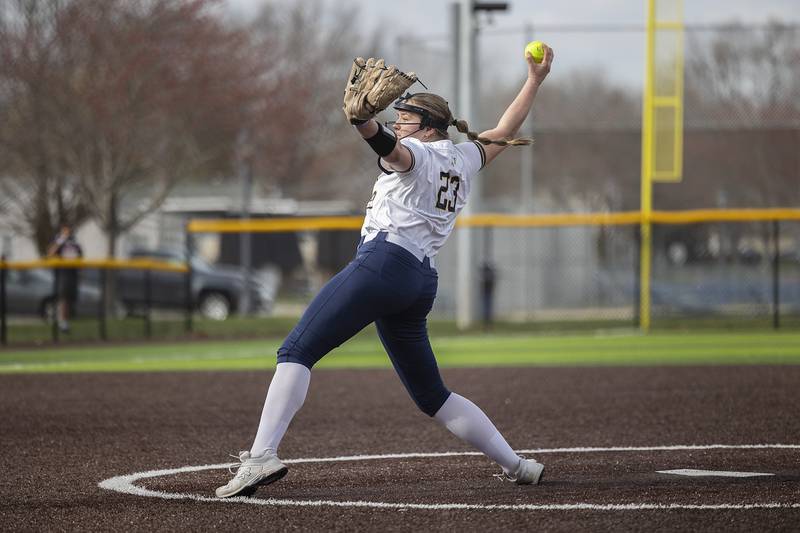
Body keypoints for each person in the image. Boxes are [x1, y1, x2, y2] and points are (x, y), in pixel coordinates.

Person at [216, 45, 554, 498]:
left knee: (296, 350)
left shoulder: (419, 152)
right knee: (432, 395)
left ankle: (260, 457)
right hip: (419, 282)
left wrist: (362, 123)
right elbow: (505, 129)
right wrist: (534, 80)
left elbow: (389, 147)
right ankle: (518, 465)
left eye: (407, 116)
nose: (399, 121)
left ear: (429, 127)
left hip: (385, 264)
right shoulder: (464, 158)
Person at [47, 225, 83, 333]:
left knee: (71, 299)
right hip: (63, 274)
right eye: (65, 231)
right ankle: (61, 321)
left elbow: (81, 258)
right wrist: (61, 240)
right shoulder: (59, 242)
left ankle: (66, 321)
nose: (67, 232)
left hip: (73, 274)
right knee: (63, 298)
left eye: (68, 230)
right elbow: (50, 253)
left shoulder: (75, 243)